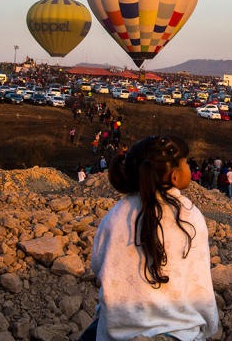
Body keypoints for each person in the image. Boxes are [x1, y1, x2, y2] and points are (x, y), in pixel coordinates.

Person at [84, 135, 218, 341]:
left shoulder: (116, 214)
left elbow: (97, 265)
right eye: (186, 163)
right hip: (179, 334)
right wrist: (209, 327)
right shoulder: (190, 216)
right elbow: (200, 287)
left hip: (118, 333)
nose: (189, 168)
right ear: (174, 176)